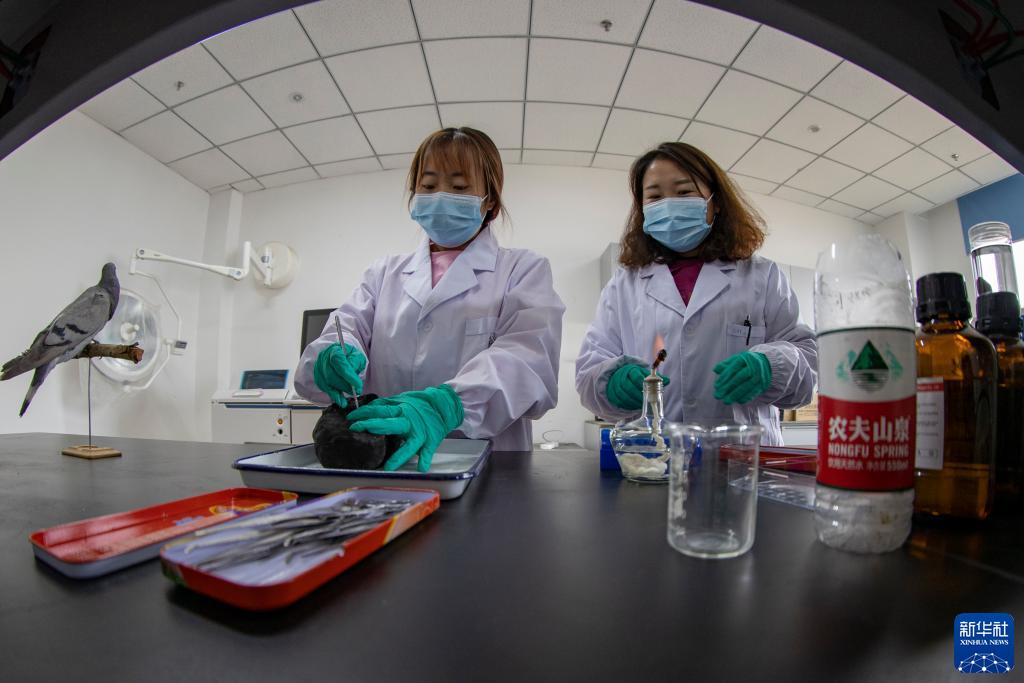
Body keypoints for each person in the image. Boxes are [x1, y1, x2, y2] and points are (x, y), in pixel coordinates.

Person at [295, 127, 565, 470]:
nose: (440, 196)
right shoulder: (383, 273)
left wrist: (447, 405)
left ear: (490, 202)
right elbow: (345, 328)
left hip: (489, 465)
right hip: (387, 463)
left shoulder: (522, 269)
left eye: (459, 187)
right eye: (428, 185)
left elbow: (528, 361)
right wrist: (334, 356)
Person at [575, 142, 816, 445]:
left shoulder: (762, 276)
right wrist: (611, 383)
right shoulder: (624, 284)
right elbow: (589, 373)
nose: (669, 205)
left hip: (742, 455)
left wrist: (771, 367)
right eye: (655, 197)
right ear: (643, 210)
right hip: (653, 456)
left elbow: (808, 367)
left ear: (716, 202)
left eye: (684, 192)